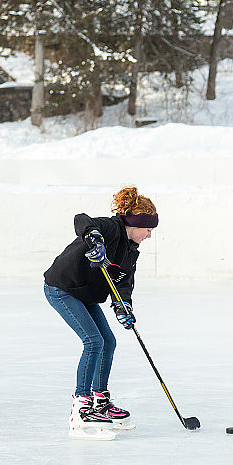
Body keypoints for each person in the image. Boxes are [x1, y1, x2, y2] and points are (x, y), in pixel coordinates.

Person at [43, 186, 158, 440]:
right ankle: (80, 408)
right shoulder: (110, 228)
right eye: (147, 229)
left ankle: (100, 401)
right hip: (63, 288)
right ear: (135, 223)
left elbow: (123, 284)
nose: (149, 235)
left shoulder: (130, 251)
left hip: (85, 294)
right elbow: (82, 220)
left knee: (108, 342)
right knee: (93, 341)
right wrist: (93, 238)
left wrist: (123, 305)